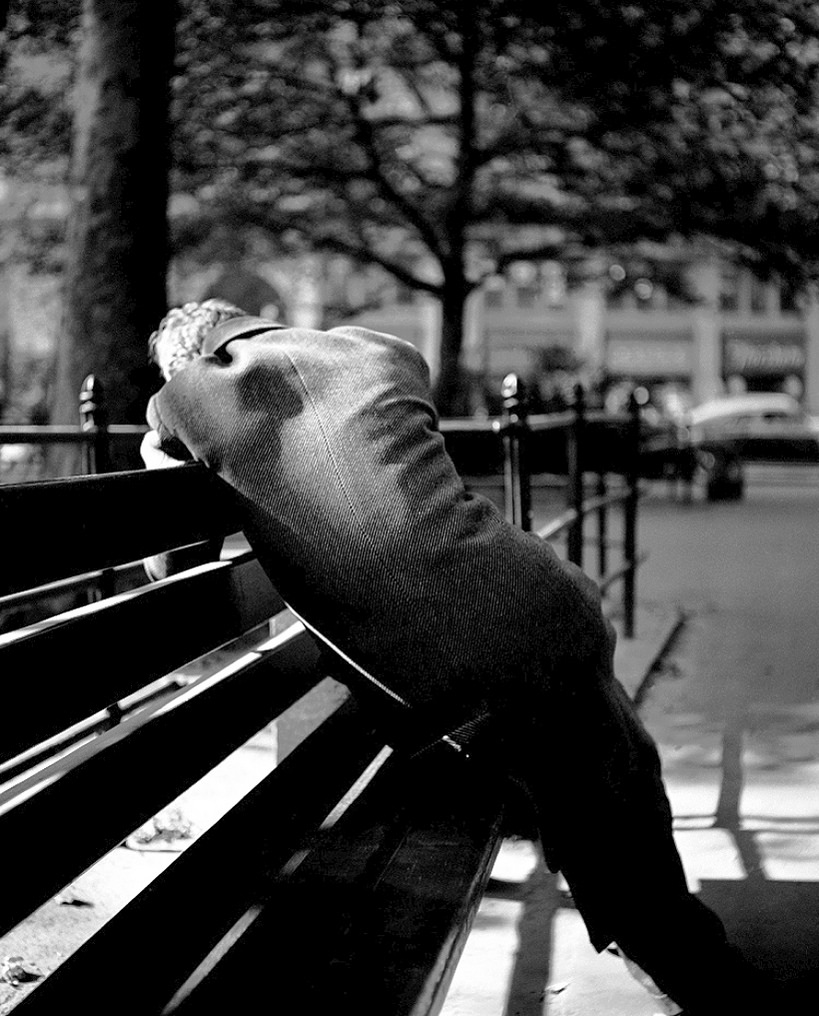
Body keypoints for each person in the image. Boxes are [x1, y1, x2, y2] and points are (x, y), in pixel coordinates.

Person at [142, 299, 784, 1016]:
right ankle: (694, 961)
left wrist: (162, 439)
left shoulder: (184, 401)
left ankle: (695, 973)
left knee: (584, 795)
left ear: (187, 359)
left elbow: (169, 567)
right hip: (545, 596)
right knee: (617, 780)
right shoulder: (375, 349)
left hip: (463, 664)